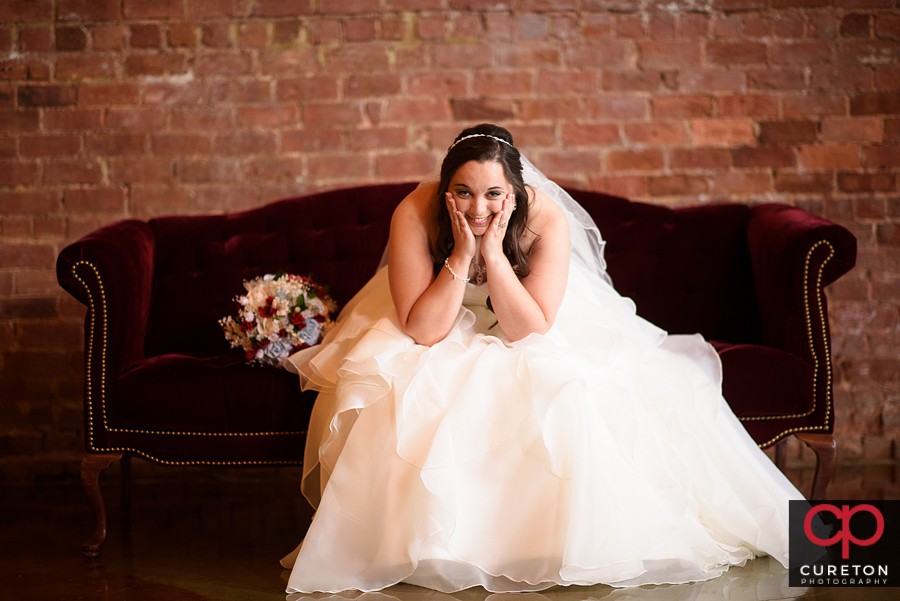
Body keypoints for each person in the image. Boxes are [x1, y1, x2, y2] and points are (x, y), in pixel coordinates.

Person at [280, 124, 804, 594]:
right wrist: (462, 255)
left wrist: (492, 253)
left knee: (562, 386)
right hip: (436, 314)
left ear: (514, 192)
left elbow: (526, 328)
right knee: (406, 386)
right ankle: (434, 543)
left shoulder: (546, 217)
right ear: (445, 191)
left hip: (530, 316)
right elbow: (422, 330)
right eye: (462, 193)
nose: (478, 209)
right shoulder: (415, 211)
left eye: (493, 194)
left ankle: (535, 543)